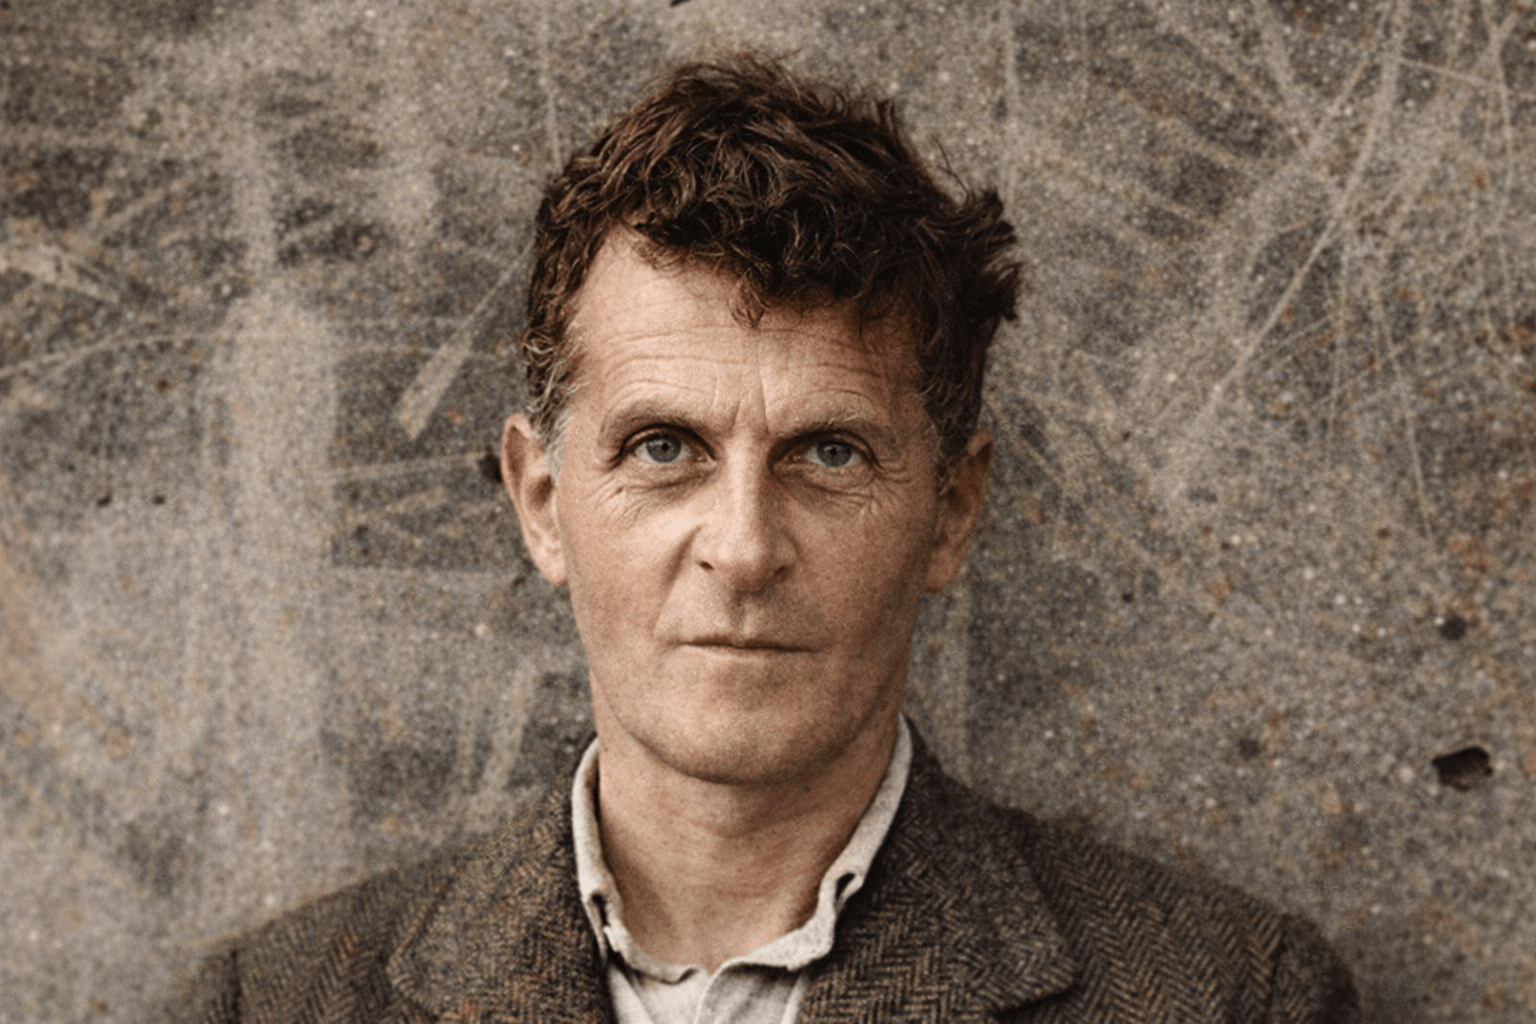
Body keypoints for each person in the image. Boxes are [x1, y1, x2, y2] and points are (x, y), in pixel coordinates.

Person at [174, 56, 1359, 1023]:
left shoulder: (1236, 999)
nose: (742, 548)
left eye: (828, 453)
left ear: (952, 510)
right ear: (541, 502)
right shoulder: (265, 1006)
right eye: (663, 446)